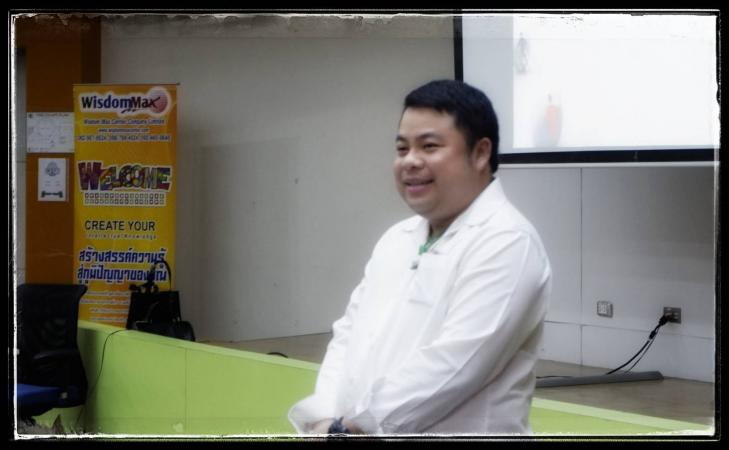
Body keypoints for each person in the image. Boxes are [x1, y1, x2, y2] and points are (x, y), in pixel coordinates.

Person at [288, 79, 552, 436]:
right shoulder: (396, 238)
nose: (410, 161)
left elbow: (454, 366)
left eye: (429, 146)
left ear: (480, 153)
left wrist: (349, 427)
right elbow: (348, 337)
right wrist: (325, 416)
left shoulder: (508, 241)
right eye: (402, 149)